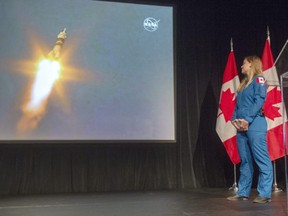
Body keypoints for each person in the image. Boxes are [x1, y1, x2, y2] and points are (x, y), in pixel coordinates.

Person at [227, 55, 273, 204]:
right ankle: (243, 192)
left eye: (244, 64)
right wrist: (235, 120)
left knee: (261, 158)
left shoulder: (259, 80)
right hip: (241, 125)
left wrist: (248, 119)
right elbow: (238, 105)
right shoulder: (244, 84)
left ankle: (264, 194)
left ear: (252, 65)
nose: (241, 66)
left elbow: (259, 100)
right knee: (245, 160)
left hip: (255, 124)